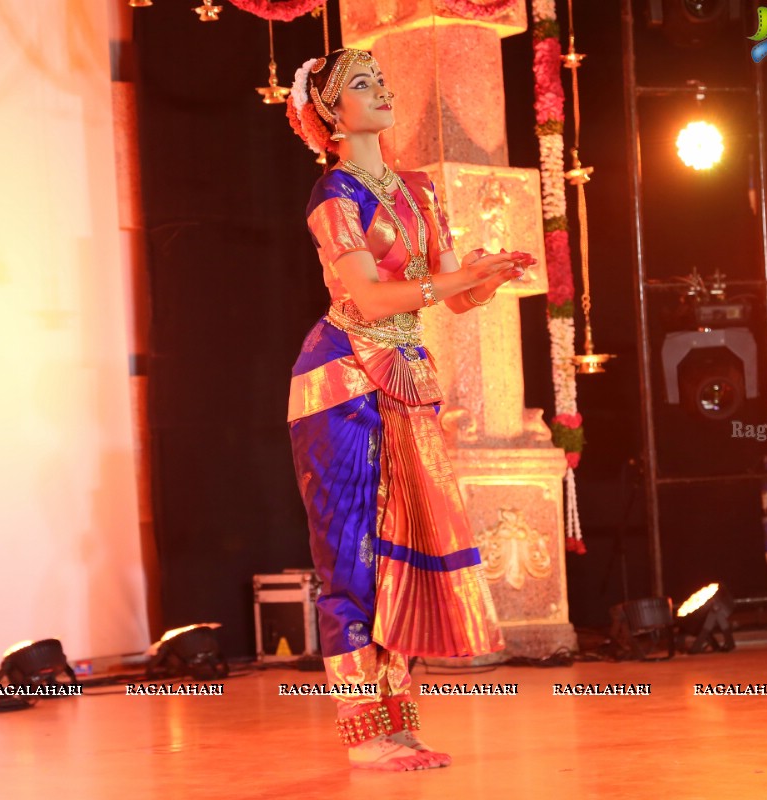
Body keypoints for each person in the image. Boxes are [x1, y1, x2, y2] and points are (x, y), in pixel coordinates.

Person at [283, 48, 536, 772]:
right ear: (331, 114)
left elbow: (452, 296)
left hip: (404, 377)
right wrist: (452, 282)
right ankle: (367, 734)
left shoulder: (417, 190)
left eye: (381, 80)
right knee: (353, 559)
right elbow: (368, 298)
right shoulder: (334, 195)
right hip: (342, 383)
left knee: (408, 553)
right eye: (363, 85)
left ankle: (401, 723)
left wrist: (485, 277)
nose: (382, 92)